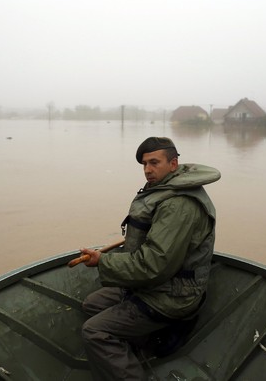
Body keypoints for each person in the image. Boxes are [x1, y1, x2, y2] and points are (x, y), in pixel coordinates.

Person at [78, 137, 220, 380]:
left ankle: (174, 327)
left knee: (94, 331)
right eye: (144, 164)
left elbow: (154, 265)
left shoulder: (179, 205)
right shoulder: (167, 189)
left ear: (174, 164)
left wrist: (103, 261)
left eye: (154, 162)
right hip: (157, 283)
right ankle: (145, 343)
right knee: (92, 304)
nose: (147, 170)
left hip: (173, 294)